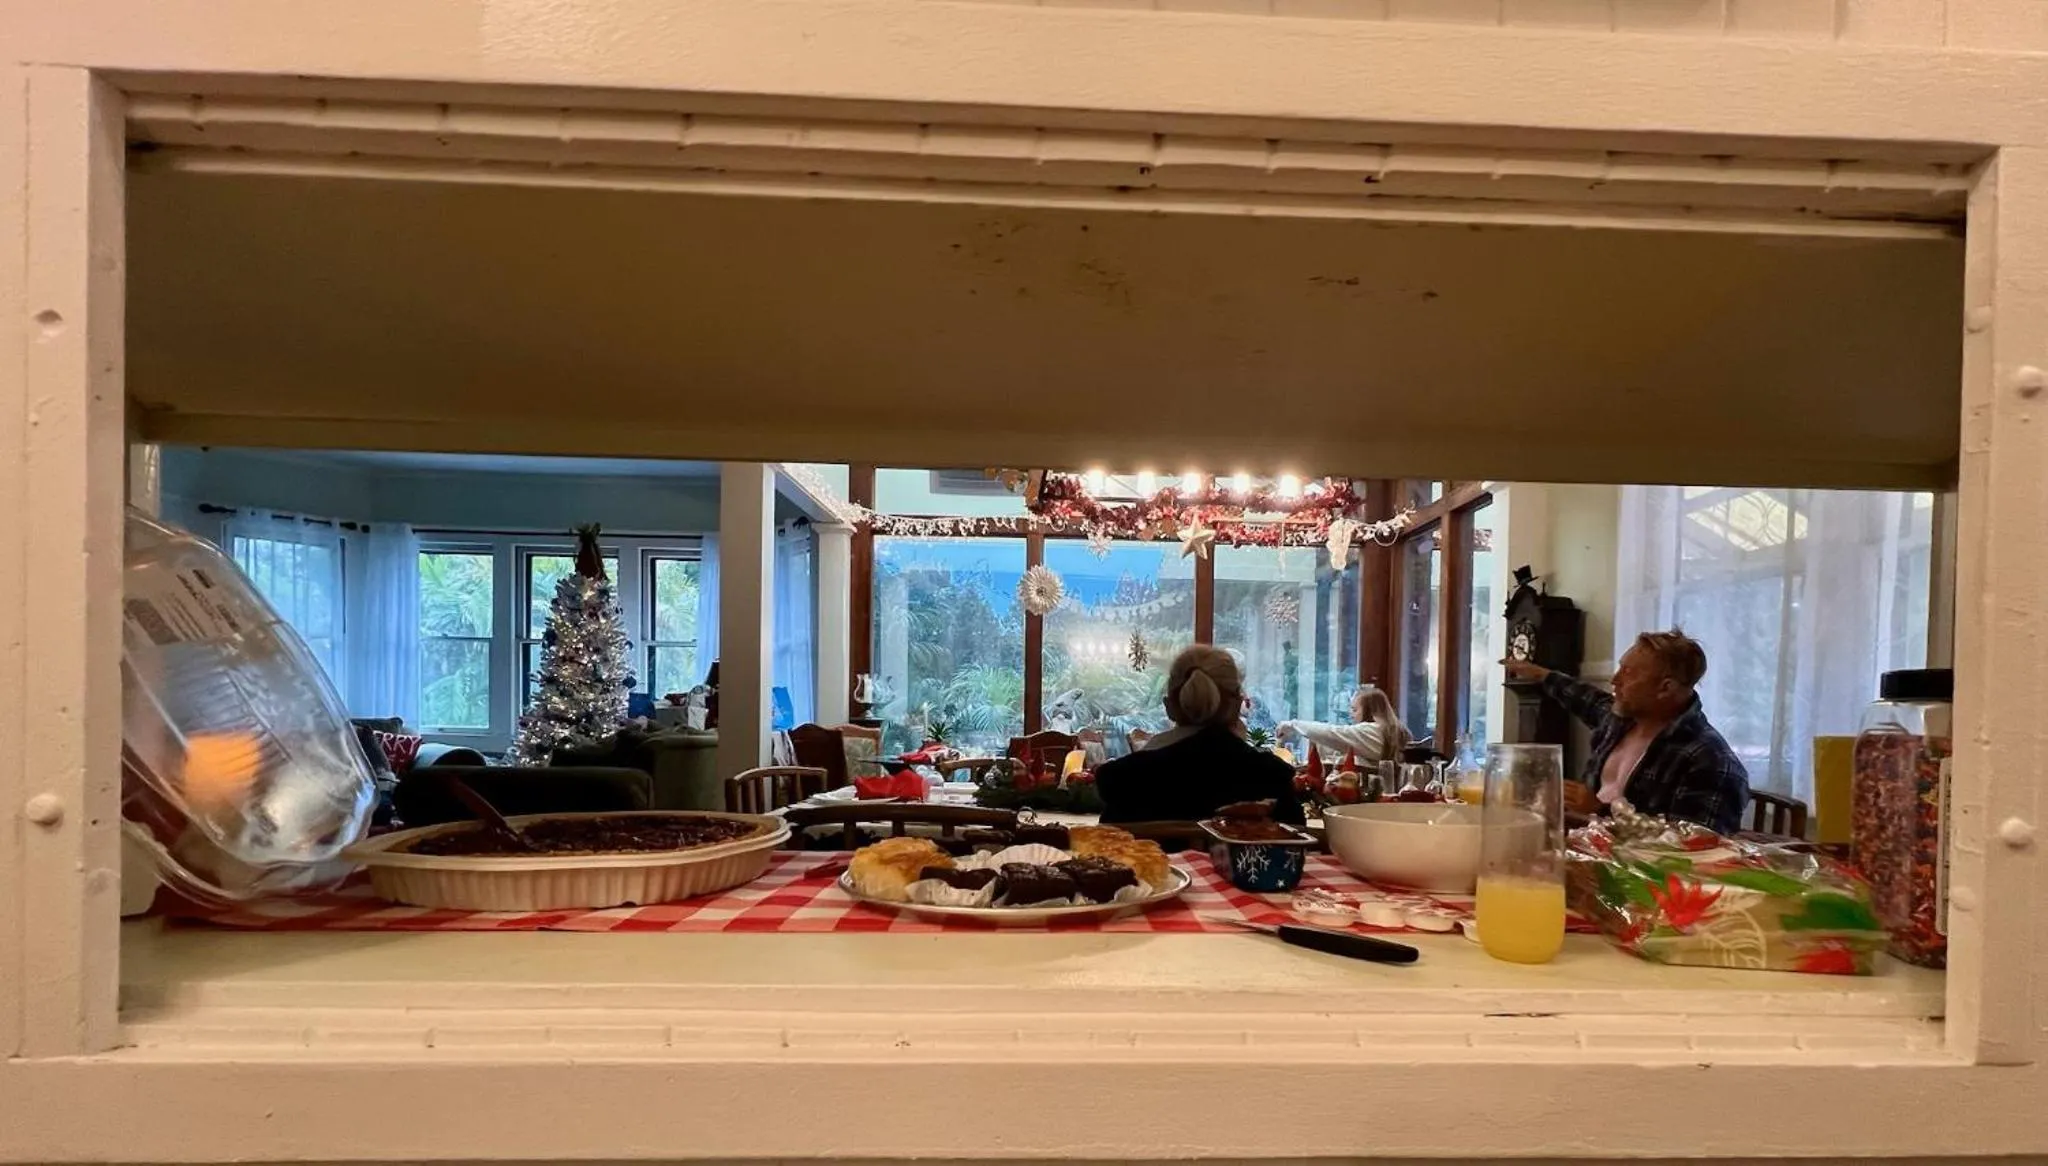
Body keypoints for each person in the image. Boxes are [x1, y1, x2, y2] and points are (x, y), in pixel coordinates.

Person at [1503, 629, 1749, 835]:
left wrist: (1598, 810)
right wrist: (1541, 675)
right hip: (1587, 851)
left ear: (1665, 688)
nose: (1614, 679)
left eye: (1628, 673)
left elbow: (1695, 847)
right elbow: (1586, 698)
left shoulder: (1710, 760)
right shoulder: (1621, 719)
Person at [1095, 645, 1305, 825]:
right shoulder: (1270, 778)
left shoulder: (1123, 781)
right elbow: (1296, 846)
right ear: (1238, 704)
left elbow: (1109, 852)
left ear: (1169, 707)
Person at [1277, 686, 1410, 766]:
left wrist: (1293, 725)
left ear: (1370, 710)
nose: (1351, 714)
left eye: (1355, 709)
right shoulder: (1395, 731)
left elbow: (1334, 734)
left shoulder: (1373, 732)